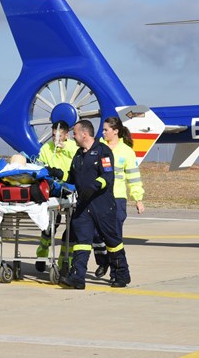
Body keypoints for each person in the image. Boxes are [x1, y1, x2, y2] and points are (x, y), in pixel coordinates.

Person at [60, 120, 120, 290]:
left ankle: (122, 273)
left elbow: (108, 177)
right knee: (82, 240)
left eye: (75, 133)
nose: (73, 136)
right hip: (83, 206)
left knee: (112, 241)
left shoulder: (103, 152)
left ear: (84, 134)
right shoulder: (78, 155)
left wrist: (93, 186)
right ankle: (78, 277)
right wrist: (57, 175)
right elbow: (71, 178)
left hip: (102, 205)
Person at [91, 117, 145, 285]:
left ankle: (116, 272)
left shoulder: (126, 151)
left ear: (116, 131)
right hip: (98, 197)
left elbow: (133, 177)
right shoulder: (97, 147)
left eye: (106, 129)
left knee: (114, 237)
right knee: (95, 234)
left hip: (117, 197)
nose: (103, 132)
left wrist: (138, 198)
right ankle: (103, 261)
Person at [35, 120, 78, 272]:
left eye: (59, 136)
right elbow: (40, 165)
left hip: (71, 189)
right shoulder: (46, 148)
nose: (55, 139)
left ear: (66, 135)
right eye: (53, 136)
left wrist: (64, 149)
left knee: (72, 228)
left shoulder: (74, 147)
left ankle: (65, 261)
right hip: (53, 190)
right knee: (50, 225)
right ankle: (42, 254)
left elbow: (79, 164)